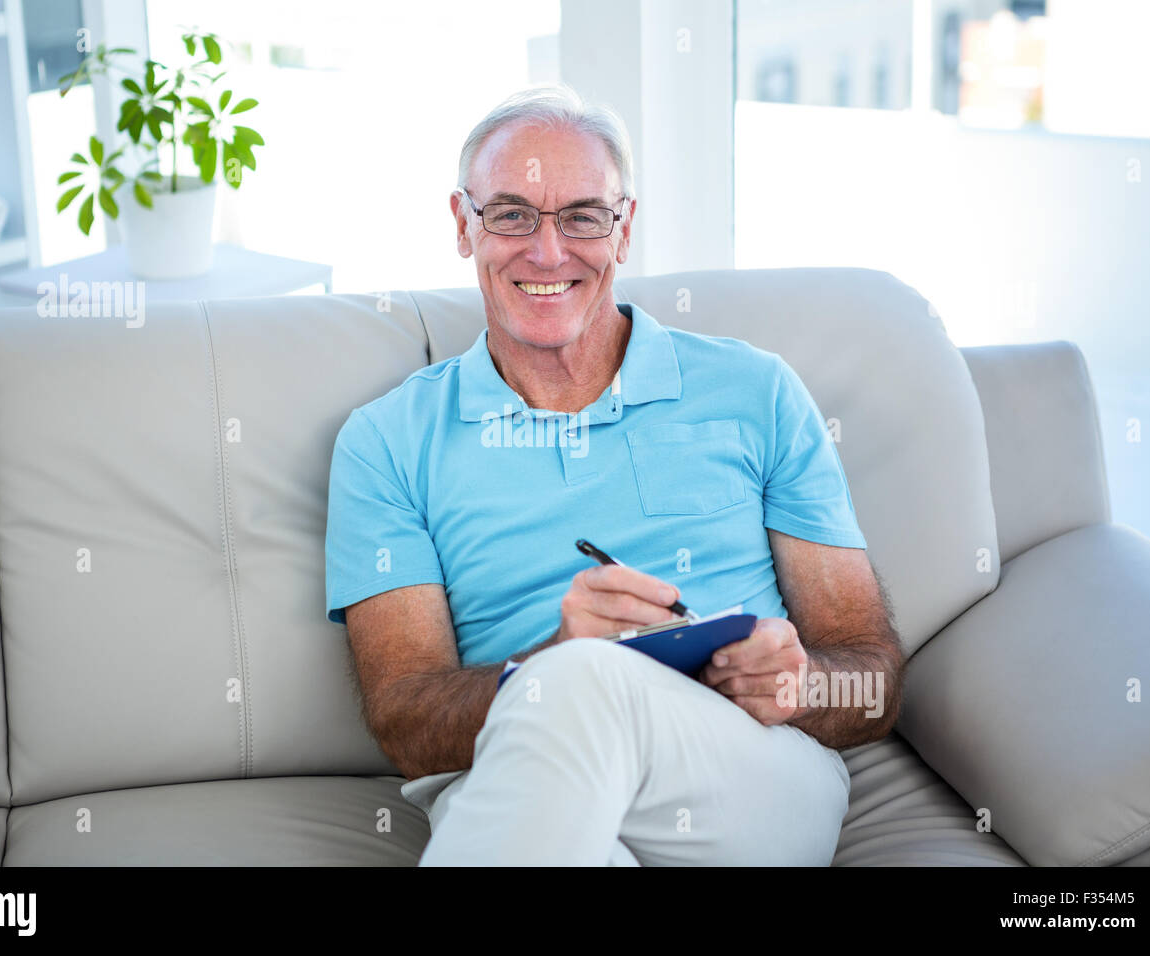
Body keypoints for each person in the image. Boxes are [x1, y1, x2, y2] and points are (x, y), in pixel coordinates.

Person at [324, 83, 903, 865]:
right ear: (463, 225)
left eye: (582, 217)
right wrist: (545, 666)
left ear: (624, 229)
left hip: (748, 777)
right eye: (511, 213)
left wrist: (800, 686)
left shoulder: (757, 391)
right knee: (573, 695)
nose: (548, 251)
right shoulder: (385, 442)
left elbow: (870, 676)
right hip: (518, 781)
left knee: (582, 684)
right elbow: (405, 722)